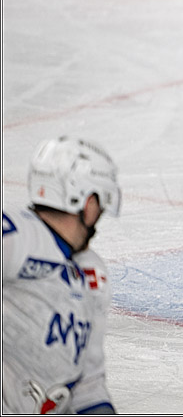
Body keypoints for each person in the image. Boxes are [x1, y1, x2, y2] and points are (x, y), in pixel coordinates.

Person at [3, 137, 122, 415]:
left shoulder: (92, 273)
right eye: (100, 203)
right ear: (87, 202)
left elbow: (88, 384)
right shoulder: (19, 235)